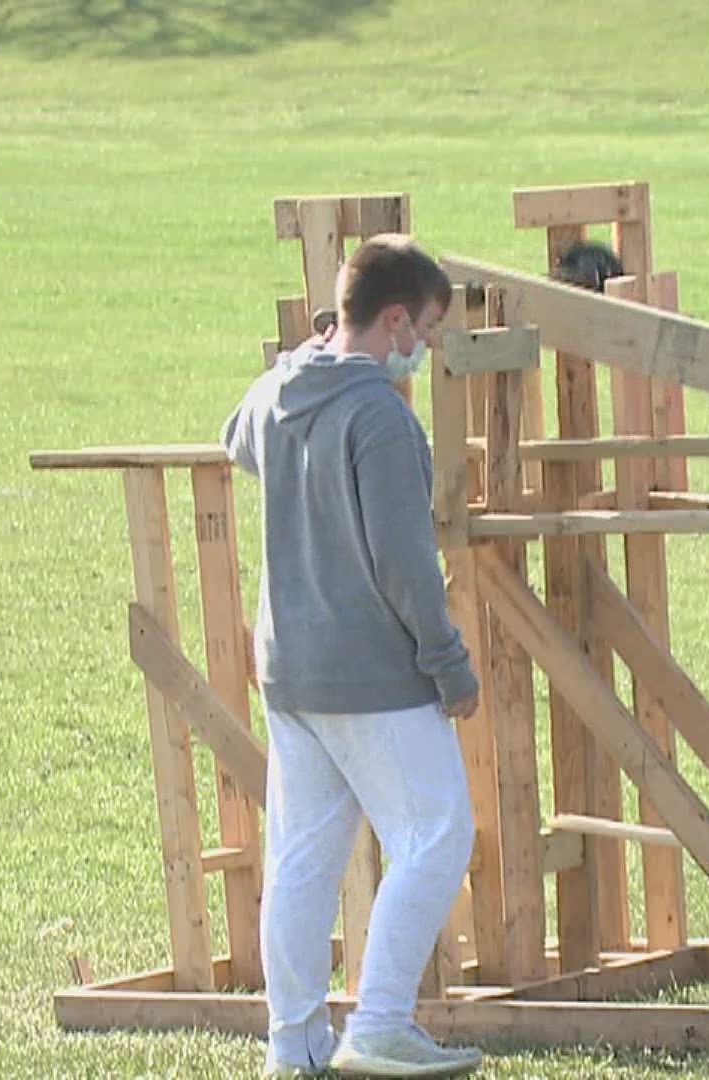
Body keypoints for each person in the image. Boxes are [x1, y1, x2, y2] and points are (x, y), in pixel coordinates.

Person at [222, 234, 484, 1078]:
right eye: (428, 330)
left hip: (290, 668)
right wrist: (448, 665)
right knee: (439, 835)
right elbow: (406, 564)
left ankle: (292, 1042)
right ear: (398, 317)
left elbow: (235, 437)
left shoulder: (276, 391)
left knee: (303, 856)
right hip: (372, 668)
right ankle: (378, 1024)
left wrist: (310, 353)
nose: (427, 349)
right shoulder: (379, 414)